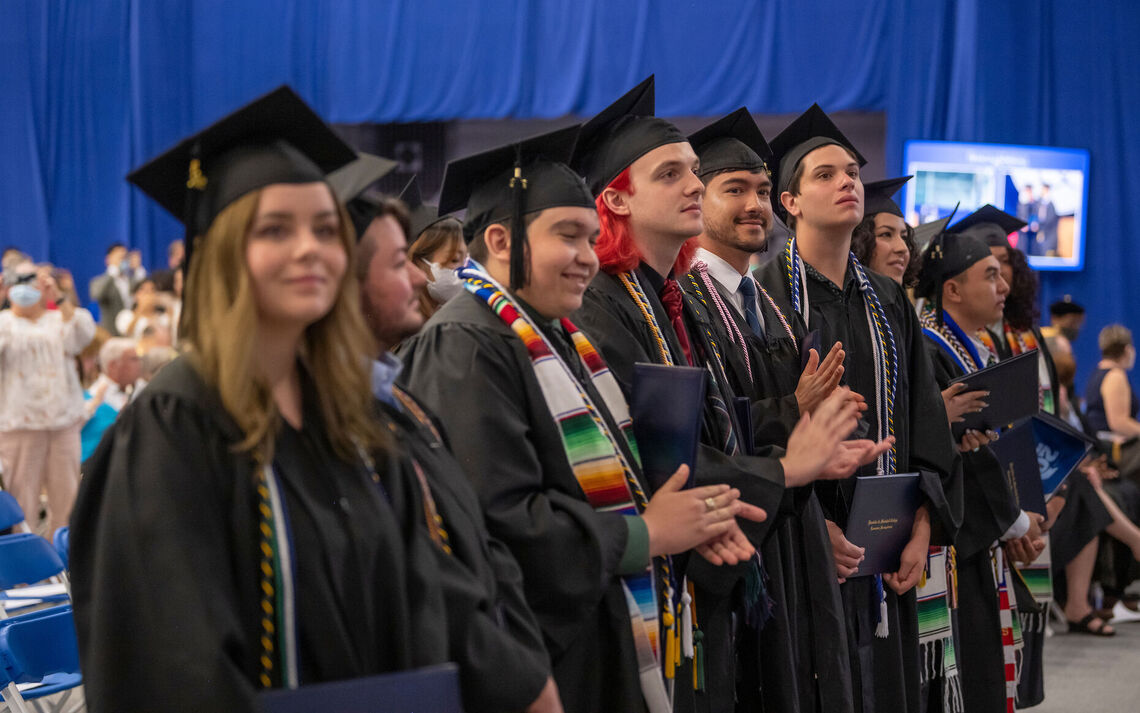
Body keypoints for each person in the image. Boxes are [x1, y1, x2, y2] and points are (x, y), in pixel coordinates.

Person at [70, 86, 453, 713]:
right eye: (276, 229)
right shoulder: (174, 426)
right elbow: (169, 667)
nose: (309, 247)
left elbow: (421, 596)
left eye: (325, 228)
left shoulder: (356, 415)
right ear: (224, 257)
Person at [401, 125, 770, 713]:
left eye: (592, 237)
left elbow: (612, 472)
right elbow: (499, 523)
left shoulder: (556, 336)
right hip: (537, 657)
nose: (587, 257)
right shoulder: (468, 343)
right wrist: (646, 533)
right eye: (567, 236)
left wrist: (689, 518)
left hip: (593, 636)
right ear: (499, 239)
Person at [569, 82, 888, 713]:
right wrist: (787, 465)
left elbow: (705, 432)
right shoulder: (605, 306)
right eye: (672, 174)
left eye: (694, 171)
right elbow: (649, 453)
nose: (694, 185)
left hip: (714, 548)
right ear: (615, 200)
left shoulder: (668, 299)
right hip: (656, 567)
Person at [330, 153, 562, 713]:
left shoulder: (393, 398)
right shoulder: (323, 420)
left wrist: (519, 666)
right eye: (396, 263)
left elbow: (460, 548)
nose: (418, 275)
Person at [754, 104, 960, 713]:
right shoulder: (763, 297)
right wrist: (818, 530)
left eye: (851, 172)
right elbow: (757, 432)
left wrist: (924, 524)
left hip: (890, 547)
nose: (847, 182)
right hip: (807, 550)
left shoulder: (888, 301)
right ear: (788, 202)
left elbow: (924, 420)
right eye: (825, 175)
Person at [679, 107, 868, 713]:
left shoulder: (763, 302)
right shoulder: (685, 301)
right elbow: (709, 433)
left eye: (761, 190)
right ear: (696, 200)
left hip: (792, 534)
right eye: (733, 189)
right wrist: (795, 408)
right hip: (738, 541)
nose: (754, 203)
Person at [915, 228, 1048, 712]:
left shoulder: (978, 346)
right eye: (990, 275)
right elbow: (958, 455)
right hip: (957, 545)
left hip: (985, 538)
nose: (1003, 286)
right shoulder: (931, 350)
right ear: (952, 288)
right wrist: (1012, 521)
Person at [0, 261, 95, 533]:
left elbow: (83, 335)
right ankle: (26, 573)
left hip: (63, 424)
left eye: (32, 279)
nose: (25, 286)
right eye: (18, 280)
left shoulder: (58, 321)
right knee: (22, 505)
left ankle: (65, 567)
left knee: (67, 503)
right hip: (19, 425)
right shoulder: (4, 324)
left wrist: (59, 297)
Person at [401, 176, 468, 319]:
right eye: (455, 260)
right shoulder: (402, 334)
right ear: (415, 264)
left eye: (468, 259)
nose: (465, 271)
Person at [849, 176, 921, 288]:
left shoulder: (900, 304)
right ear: (856, 241)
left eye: (904, 237)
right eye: (886, 234)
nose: (903, 248)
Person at [88, 243, 146, 334]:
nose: (122, 261)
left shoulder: (132, 280)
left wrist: (138, 269)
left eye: (124, 257)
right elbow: (96, 295)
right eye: (119, 257)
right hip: (111, 334)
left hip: (132, 333)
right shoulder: (98, 281)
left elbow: (147, 292)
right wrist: (112, 273)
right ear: (108, 259)